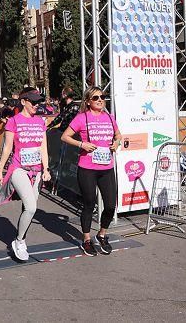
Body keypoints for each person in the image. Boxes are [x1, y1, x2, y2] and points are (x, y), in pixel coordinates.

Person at [60, 87, 122, 256]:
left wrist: (116, 144)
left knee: (110, 205)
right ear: (88, 101)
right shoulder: (81, 118)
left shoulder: (110, 117)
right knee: (89, 203)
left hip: (106, 168)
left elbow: (118, 135)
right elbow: (64, 136)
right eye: (96, 97)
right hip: (87, 168)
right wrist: (82, 144)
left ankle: (102, 234)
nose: (100, 100)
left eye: (102, 97)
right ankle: (86, 240)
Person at [0, 87, 51, 261]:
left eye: (38, 101)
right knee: (32, 207)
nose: (36, 104)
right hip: (18, 169)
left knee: (29, 209)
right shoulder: (14, 121)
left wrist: (46, 169)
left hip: (36, 171)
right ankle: (19, 241)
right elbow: (8, 147)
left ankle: (22, 239)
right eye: (33, 102)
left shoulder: (40, 122)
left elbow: (43, 147)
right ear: (24, 102)